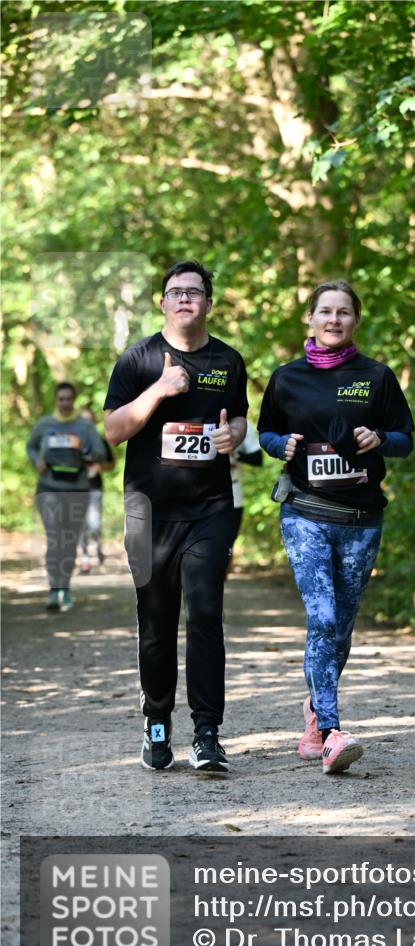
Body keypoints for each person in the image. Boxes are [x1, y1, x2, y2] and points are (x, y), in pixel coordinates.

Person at [258, 280, 414, 775]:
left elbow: (405, 439)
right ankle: (330, 731)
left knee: (341, 628)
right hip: (305, 512)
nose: (333, 319)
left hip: (361, 519)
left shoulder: (376, 376)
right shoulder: (286, 378)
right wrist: (278, 444)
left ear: (355, 321)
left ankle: (313, 711)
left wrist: (380, 438)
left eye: (343, 312)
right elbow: (265, 430)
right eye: (324, 311)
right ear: (310, 318)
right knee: (322, 618)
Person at [103, 260, 248, 773]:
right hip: (148, 512)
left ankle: (207, 733)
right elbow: (113, 431)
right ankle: (157, 722)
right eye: (175, 292)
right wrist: (160, 390)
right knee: (157, 618)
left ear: (209, 302)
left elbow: (239, 423)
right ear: (161, 303)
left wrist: (236, 437)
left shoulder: (229, 361)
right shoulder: (138, 360)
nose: (185, 299)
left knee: (205, 612)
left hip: (208, 509)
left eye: (195, 292)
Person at [27, 382, 107, 611]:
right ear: (56, 400)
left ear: (74, 400)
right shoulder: (45, 424)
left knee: (69, 540)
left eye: (68, 399)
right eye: (61, 399)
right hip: (48, 488)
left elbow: (100, 452)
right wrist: (37, 462)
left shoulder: (84, 426)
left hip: (77, 489)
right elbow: (31, 446)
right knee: (54, 537)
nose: (65, 403)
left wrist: (84, 449)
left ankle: (66, 588)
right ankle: (54, 590)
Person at [78, 406, 115, 573]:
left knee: (94, 524)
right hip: (76, 488)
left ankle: (97, 547)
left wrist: (101, 467)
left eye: (89, 420)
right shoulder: (73, 441)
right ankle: (85, 556)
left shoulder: (100, 441)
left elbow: (111, 463)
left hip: (95, 488)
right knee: (80, 524)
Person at [227, 420, 263, 577]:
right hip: (197, 493)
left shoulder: (242, 425)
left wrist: (235, 453)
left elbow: (258, 458)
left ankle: (223, 572)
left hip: (233, 492)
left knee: (228, 539)